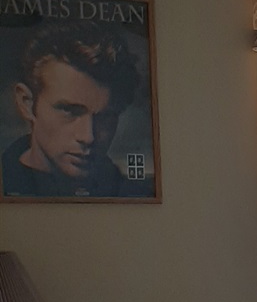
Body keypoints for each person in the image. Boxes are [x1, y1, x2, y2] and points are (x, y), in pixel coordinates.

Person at [0, 21, 150, 199]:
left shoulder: (133, 192)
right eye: (69, 111)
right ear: (27, 103)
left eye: (106, 116)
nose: (88, 136)